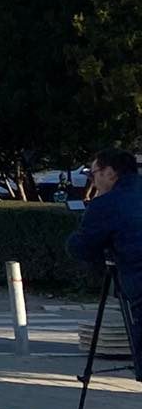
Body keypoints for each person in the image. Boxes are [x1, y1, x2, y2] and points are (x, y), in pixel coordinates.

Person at [68, 147, 142, 382]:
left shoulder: (108, 204)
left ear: (110, 172)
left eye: (93, 173)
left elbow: (79, 247)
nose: (93, 179)